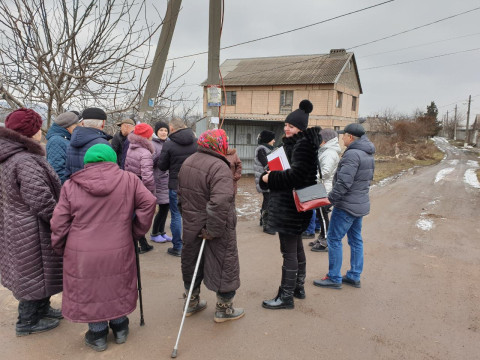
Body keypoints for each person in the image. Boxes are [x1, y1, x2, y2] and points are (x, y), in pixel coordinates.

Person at [50, 144, 156, 352]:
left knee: (92, 290)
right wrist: (136, 231)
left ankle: (97, 334)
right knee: (117, 284)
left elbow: (59, 222)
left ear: (87, 163)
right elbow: (148, 203)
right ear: (112, 160)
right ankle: (120, 328)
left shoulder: (71, 185)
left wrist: (60, 245)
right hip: (119, 245)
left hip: (82, 250)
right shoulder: (129, 180)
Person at [0, 108, 63, 336]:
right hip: (31, 228)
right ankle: (26, 322)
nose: (40, 132)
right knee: (32, 274)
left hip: (17, 225)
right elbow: (40, 198)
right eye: (38, 128)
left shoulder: (11, 156)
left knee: (38, 273)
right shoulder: (24, 160)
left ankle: (42, 309)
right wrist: (60, 218)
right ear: (30, 132)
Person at [178, 129, 244, 323]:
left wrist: (188, 217)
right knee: (224, 262)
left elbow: (180, 195)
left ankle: (191, 301)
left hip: (192, 222)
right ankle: (224, 309)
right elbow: (221, 201)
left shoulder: (188, 161)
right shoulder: (219, 166)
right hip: (216, 224)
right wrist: (213, 230)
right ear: (219, 144)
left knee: (192, 262)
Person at [260, 100, 321, 309]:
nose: (286, 128)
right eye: (286, 124)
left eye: (291, 126)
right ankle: (297, 287)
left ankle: (285, 297)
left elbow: (296, 176)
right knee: (295, 248)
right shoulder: (297, 143)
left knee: (289, 251)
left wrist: (271, 178)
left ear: (300, 129)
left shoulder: (302, 145)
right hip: (294, 205)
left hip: (291, 207)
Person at [313, 123, 375, 289]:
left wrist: (329, 201)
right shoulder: (367, 153)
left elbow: (343, 183)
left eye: (344, 135)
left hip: (346, 205)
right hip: (359, 204)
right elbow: (367, 179)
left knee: (333, 239)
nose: (342, 138)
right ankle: (354, 275)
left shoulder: (352, 154)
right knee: (355, 240)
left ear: (351, 137)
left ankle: (334, 277)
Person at [158, 117, 197, 257]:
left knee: (176, 216)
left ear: (172, 128)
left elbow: (162, 166)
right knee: (192, 215)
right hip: (194, 184)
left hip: (176, 185)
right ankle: (192, 246)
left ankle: (178, 248)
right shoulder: (196, 142)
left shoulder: (169, 145)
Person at [124, 123, 156, 253]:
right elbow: (147, 176)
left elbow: (126, 167)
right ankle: (136, 244)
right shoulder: (145, 153)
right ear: (147, 137)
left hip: (131, 184)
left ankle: (142, 244)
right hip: (141, 186)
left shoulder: (131, 148)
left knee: (132, 215)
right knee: (139, 217)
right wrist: (150, 193)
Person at [310, 128, 342, 252]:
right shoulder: (326, 151)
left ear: (324, 140)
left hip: (324, 189)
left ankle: (325, 242)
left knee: (323, 216)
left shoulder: (329, 153)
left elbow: (326, 172)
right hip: (322, 187)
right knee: (320, 214)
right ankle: (322, 237)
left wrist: (311, 178)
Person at [65, 107, 112, 178]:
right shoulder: (103, 145)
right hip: (95, 188)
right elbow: (110, 176)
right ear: (103, 124)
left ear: (83, 123)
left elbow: (67, 172)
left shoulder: (71, 142)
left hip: (75, 187)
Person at [150, 121, 172, 243]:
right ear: (156, 132)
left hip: (167, 179)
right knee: (162, 207)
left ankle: (162, 232)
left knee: (166, 207)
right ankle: (154, 233)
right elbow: (150, 162)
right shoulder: (152, 144)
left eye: (165, 130)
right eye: (161, 130)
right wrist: (161, 156)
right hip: (158, 179)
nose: (164, 132)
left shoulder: (168, 143)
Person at [46, 111, 81, 184]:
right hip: (66, 189)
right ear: (68, 127)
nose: (78, 127)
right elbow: (57, 171)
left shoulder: (66, 138)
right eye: (76, 125)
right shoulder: (56, 141)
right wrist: (72, 186)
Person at [254, 130, 276, 235]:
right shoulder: (261, 150)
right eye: (273, 139)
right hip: (265, 179)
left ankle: (263, 220)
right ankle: (267, 225)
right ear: (268, 140)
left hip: (268, 178)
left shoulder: (266, 149)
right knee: (269, 200)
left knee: (268, 199)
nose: (274, 141)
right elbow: (266, 164)